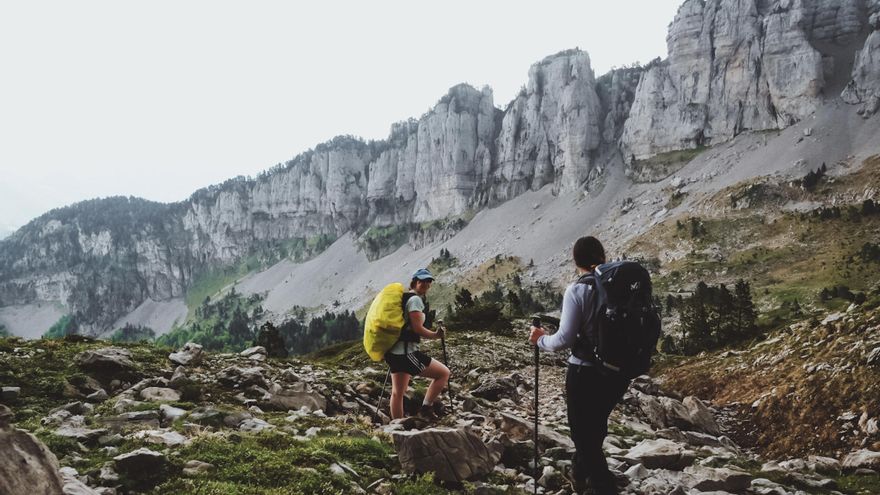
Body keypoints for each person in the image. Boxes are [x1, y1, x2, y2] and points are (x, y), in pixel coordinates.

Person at [528, 236, 631, 495]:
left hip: (584, 371)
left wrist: (540, 340)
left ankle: (603, 487)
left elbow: (564, 339)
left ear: (576, 260)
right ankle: (580, 475)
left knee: (582, 435)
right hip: (618, 373)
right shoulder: (618, 289)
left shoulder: (578, 290)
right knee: (595, 427)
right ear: (602, 256)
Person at [385, 268, 451, 420]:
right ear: (415, 282)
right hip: (407, 353)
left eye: (428, 281)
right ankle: (426, 408)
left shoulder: (403, 298)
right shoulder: (415, 300)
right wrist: (436, 335)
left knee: (397, 392)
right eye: (422, 281)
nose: (426, 284)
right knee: (443, 373)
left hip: (393, 351)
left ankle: (398, 428)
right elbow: (417, 328)